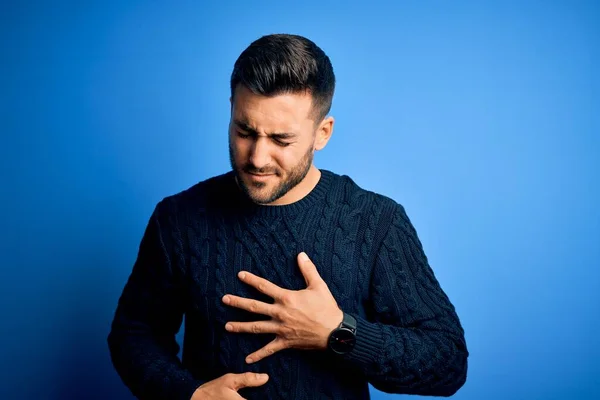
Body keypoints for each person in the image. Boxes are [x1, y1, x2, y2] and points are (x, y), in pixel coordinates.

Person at [107, 33, 469, 400]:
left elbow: (447, 363)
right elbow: (134, 335)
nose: (258, 158)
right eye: (245, 131)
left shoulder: (376, 222)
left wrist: (337, 332)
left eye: (281, 140)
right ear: (231, 108)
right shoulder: (179, 219)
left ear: (322, 133)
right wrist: (191, 393)